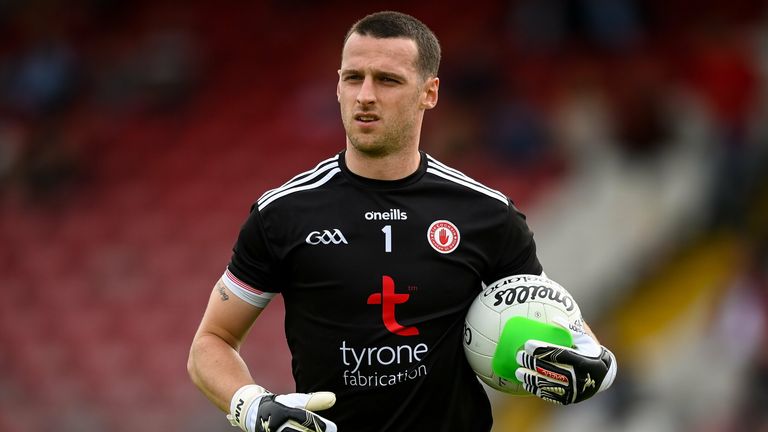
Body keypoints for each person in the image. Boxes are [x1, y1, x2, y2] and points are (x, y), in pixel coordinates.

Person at [187, 11, 617, 432]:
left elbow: (555, 321)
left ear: (429, 93)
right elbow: (211, 342)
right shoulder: (282, 214)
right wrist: (252, 406)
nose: (365, 95)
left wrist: (597, 365)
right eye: (353, 77)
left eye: (388, 80)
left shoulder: (486, 214)